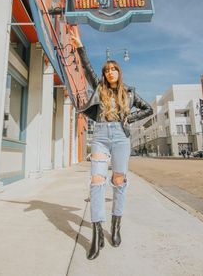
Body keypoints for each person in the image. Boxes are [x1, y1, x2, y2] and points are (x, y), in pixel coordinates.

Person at [70, 31, 153, 260]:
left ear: (119, 72)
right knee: (97, 181)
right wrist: (80, 47)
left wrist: (129, 119)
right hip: (100, 136)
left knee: (118, 181)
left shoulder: (129, 92)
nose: (110, 73)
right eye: (107, 70)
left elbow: (149, 110)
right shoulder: (100, 88)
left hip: (120, 137)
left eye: (113, 69)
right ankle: (97, 233)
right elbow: (87, 69)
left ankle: (116, 226)